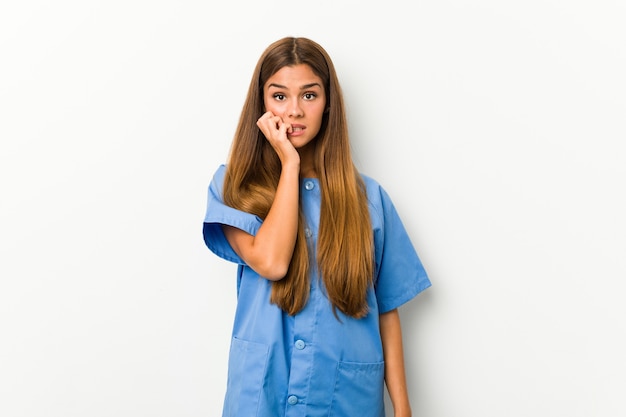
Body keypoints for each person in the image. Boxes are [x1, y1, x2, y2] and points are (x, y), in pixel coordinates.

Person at [202, 36, 431, 417]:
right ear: (261, 104)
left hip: (344, 398)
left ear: (328, 105)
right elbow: (272, 262)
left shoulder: (369, 199)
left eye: (309, 96)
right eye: (279, 96)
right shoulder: (233, 187)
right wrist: (289, 165)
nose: (294, 111)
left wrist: (403, 408)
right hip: (262, 396)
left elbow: (386, 310)